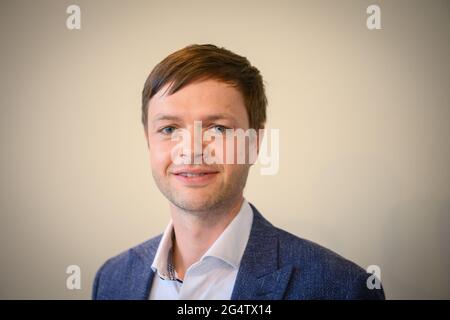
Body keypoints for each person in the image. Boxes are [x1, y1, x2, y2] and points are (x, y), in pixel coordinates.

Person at [92, 44, 385, 300]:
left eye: (219, 128)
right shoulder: (112, 279)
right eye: (169, 129)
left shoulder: (341, 288)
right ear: (149, 141)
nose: (192, 149)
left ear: (255, 144)